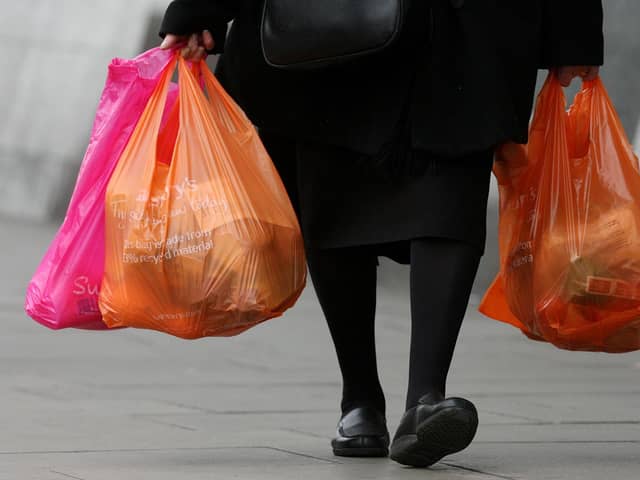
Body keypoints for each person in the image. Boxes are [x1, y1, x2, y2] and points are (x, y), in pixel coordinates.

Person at [159, 0, 604, 468]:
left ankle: (424, 400)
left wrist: (572, 27)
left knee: (450, 194)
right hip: (329, 31)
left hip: (462, 34)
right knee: (332, 197)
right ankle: (360, 399)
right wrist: (201, 9)